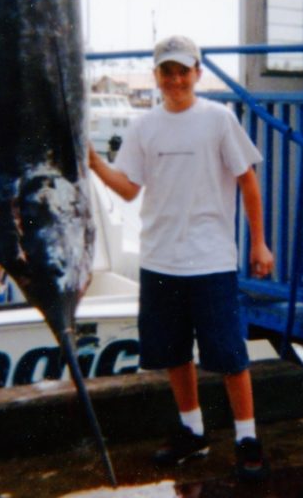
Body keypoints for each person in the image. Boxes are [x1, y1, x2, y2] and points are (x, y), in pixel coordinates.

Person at [88, 35, 274, 481]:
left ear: (197, 74)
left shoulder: (218, 119)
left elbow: (247, 182)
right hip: (160, 260)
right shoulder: (143, 127)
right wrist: (94, 163)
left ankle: (247, 437)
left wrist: (258, 244)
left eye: (182, 71)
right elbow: (130, 188)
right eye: (166, 71)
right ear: (156, 76)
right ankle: (193, 432)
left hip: (211, 259)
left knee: (229, 355)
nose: (175, 80)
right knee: (173, 354)